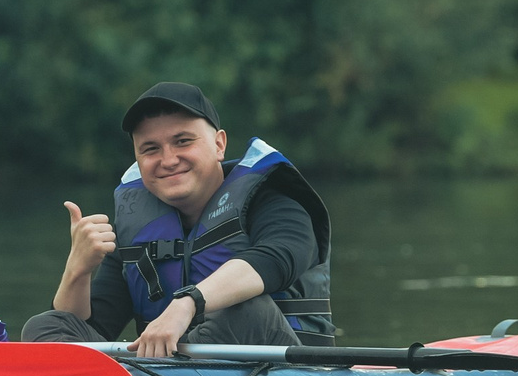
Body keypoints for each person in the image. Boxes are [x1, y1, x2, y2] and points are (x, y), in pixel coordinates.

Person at [23, 81, 335, 356]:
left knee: (246, 308)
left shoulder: (277, 201)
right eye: (150, 149)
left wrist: (187, 303)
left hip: (285, 375)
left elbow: (277, 258)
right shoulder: (134, 234)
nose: (168, 160)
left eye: (183, 141)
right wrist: (77, 271)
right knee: (48, 325)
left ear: (218, 144)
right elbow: (92, 331)